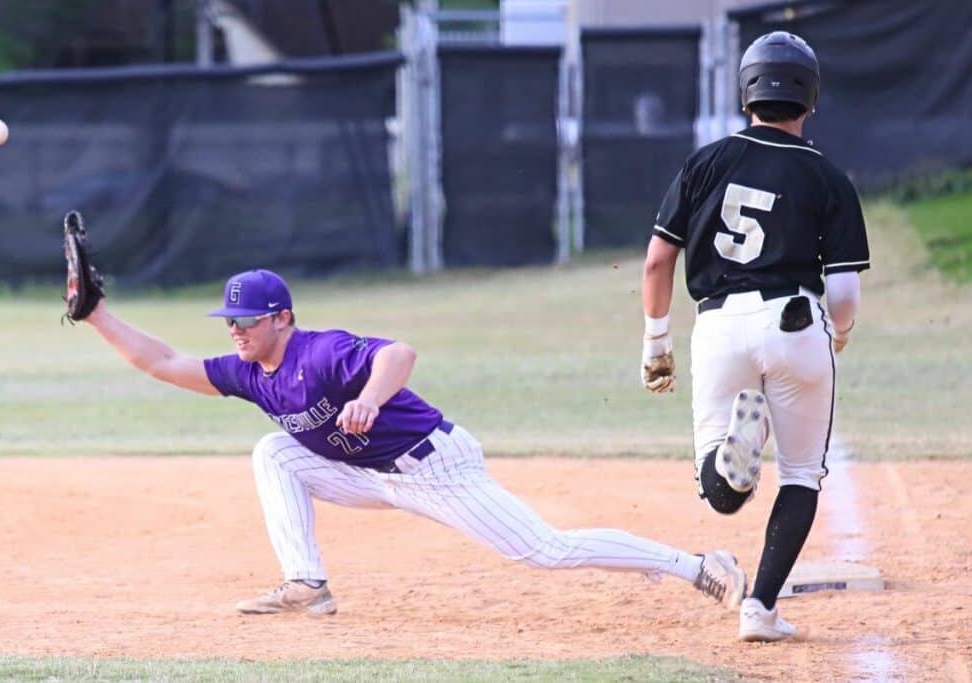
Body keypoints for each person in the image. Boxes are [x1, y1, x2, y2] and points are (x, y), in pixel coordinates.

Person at [81, 267, 747, 616]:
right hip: (371, 474)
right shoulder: (249, 373)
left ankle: (697, 564)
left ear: (281, 317)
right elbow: (162, 361)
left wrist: (369, 397)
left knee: (546, 548)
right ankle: (307, 584)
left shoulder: (322, 351)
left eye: (246, 319)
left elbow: (399, 352)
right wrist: (97, 315)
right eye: (229, 322)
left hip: (435, 468)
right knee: (273, 453)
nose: (235, 330)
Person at [639, 31, 870, 642]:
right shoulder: (828, 177)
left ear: (747, 93)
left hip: (718, 325)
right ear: (810, 98)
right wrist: (838, 336)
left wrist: (655, 343)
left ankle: (732, 463)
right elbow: (843, 295)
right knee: (800, 473)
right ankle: (759, 610)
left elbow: (657, 263)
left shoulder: (707, 161)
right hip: (795, 321)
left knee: (717, 493)